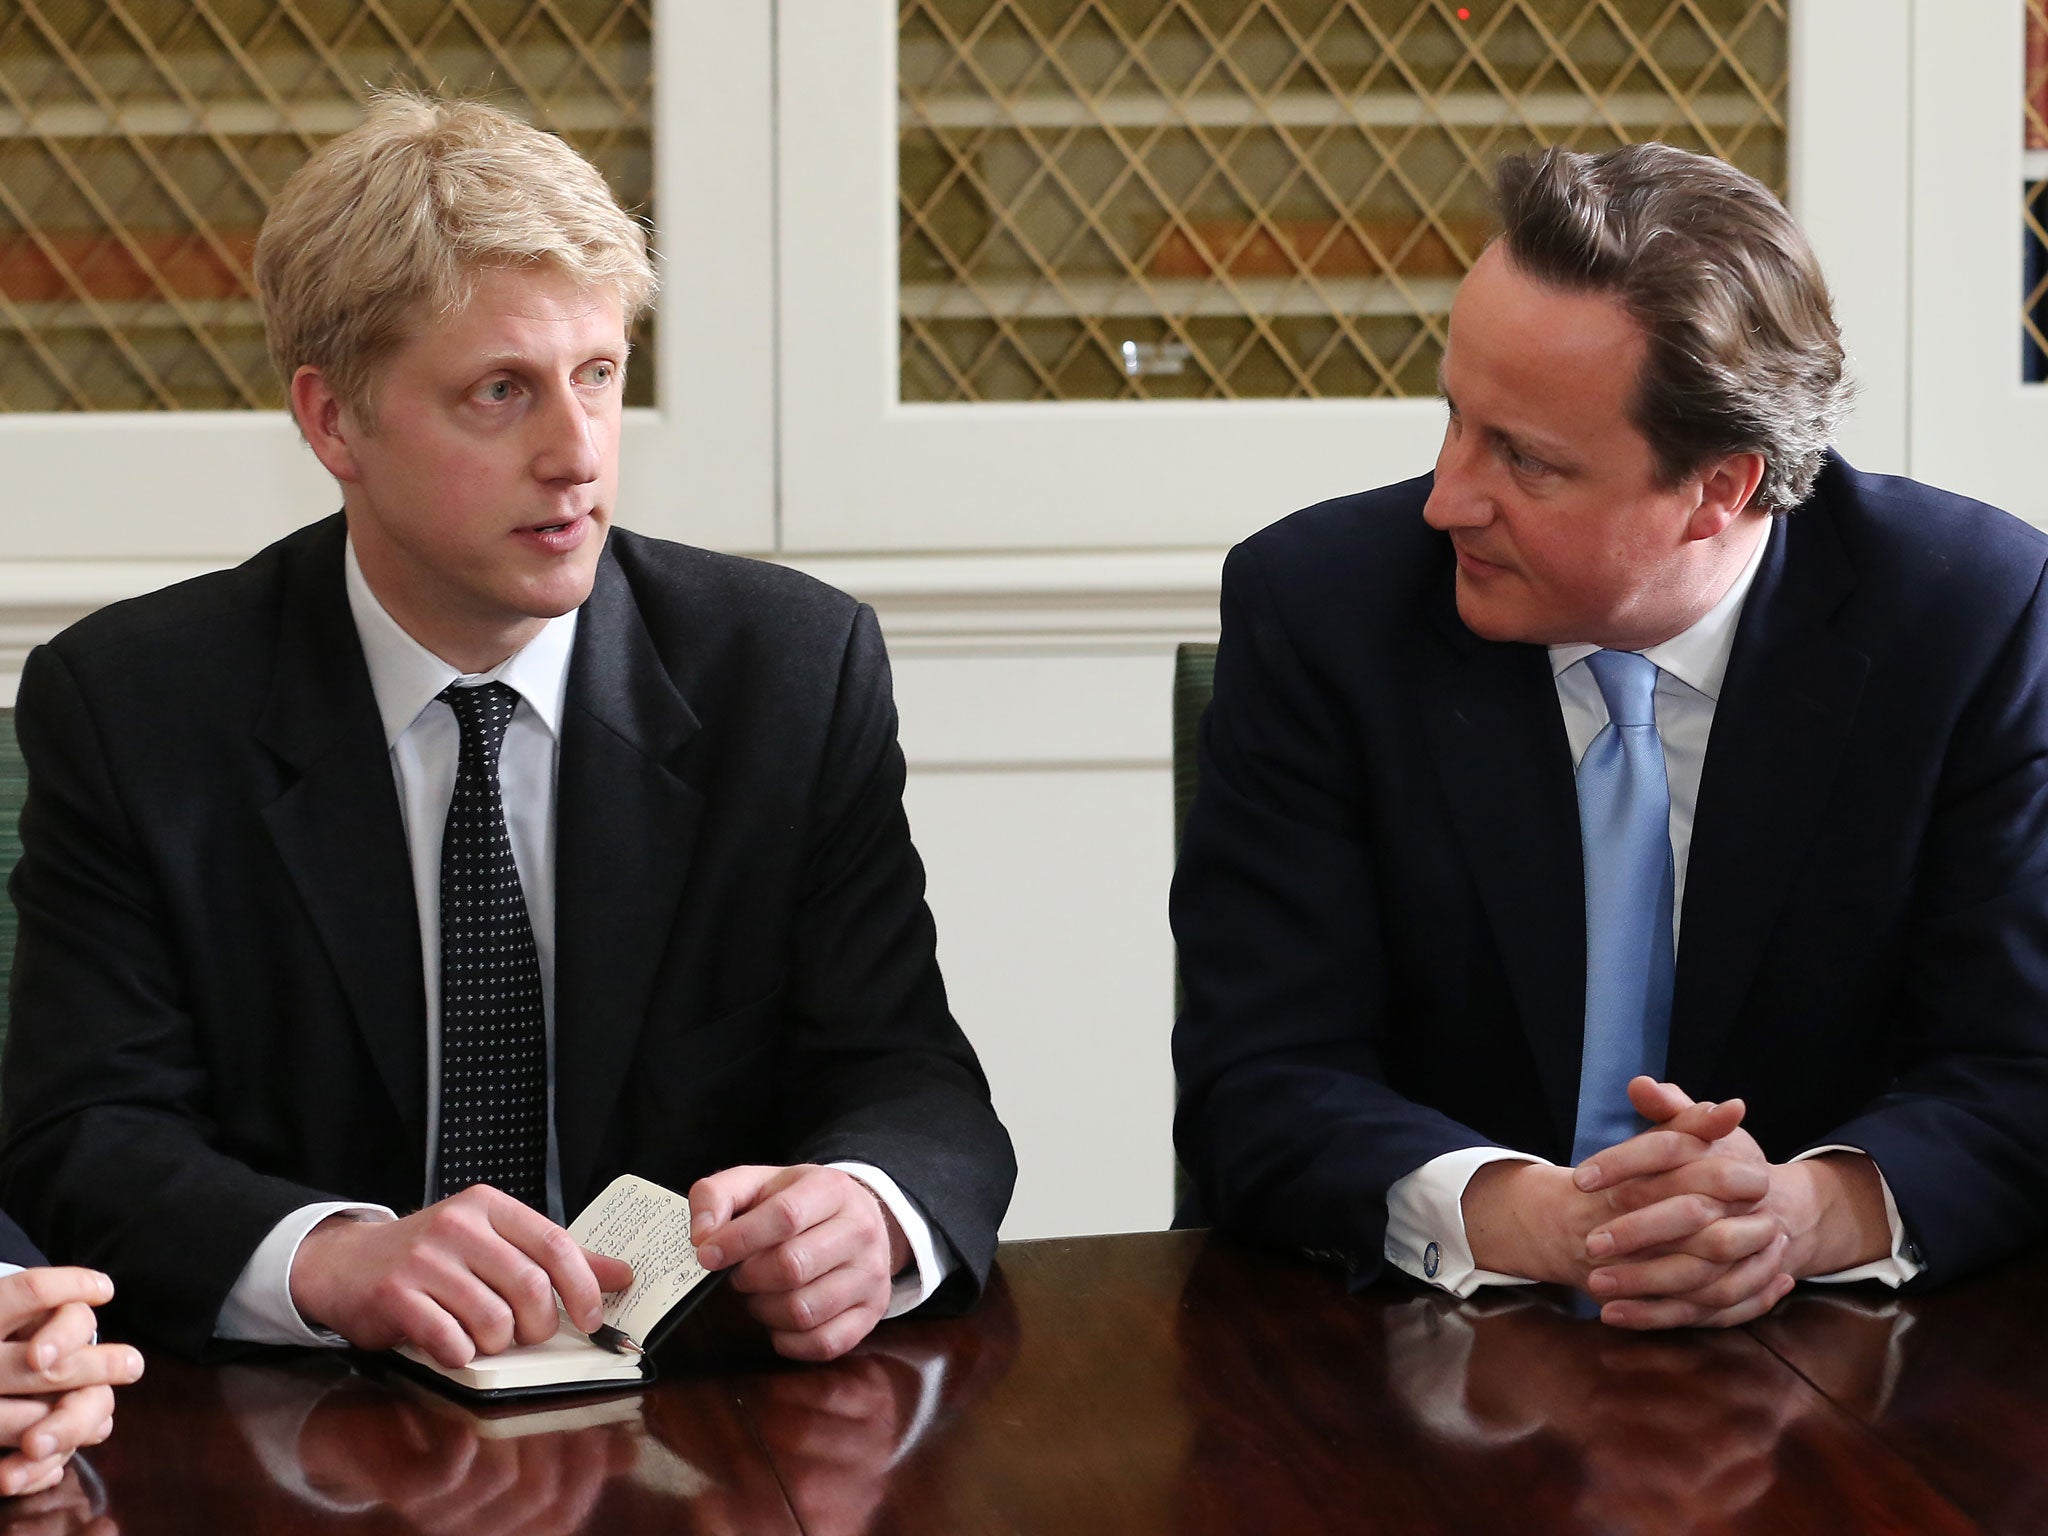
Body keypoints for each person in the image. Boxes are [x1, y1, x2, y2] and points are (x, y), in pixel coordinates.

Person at [0, 91, 1014, 1367]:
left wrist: (870, 1207)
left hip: (699, 1431)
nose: (577, 451)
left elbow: (912, 1079)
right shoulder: (138, 701)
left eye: (597, 375)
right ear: (331, 422)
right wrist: (329, 1255)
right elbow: (86, 1131)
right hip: (306, 1434)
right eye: (499, 392)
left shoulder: (786, 671)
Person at [1171, 142, 2048, 1329]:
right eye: (1454, 418)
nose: (1446, 497)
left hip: (1843, 1357)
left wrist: (1797, 1213)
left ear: (1717, 491)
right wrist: (1547, 1222)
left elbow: (2019, 1070)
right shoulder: (1322, 608)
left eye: (1522, 458)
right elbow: (1256, 1080)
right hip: (1410, 1344)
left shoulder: (1968, 616)